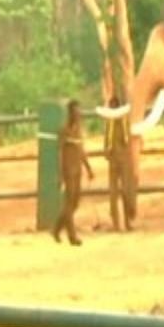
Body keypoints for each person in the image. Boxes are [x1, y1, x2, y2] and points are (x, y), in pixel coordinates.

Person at [53, 99, 93, 246]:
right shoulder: (64, 131)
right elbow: (59, 153)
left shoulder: (78, 130)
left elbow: (81, 151)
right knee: (69, 203)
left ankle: (57, 228)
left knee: (75, 203)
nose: (79, 114)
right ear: (71, 113)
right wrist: (60, 175)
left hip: (78, 170)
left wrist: (88, 168)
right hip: (68, 170)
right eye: (76, 112)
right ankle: (72, 236)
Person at [104, 96, 137, 231]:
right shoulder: (109, 125)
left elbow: (129, 141)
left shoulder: (125, 123)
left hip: (123, 160)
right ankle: (116, 223)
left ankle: (127, 222)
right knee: (113, 193)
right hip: (114, 160)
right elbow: (105, 145)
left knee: (125, 191)